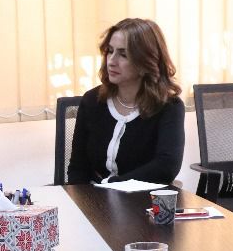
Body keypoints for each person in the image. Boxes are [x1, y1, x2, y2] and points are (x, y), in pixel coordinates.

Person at [66, 18, 185, 185]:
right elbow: (78, 169)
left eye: (123, 55)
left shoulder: (168, 107)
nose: (111, 61)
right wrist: (83, 199)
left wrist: (112, 185)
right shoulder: (92, 101)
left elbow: (166, 167)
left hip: (143, 198)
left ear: (146, 62)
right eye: (110, 51)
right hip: (94, 196)